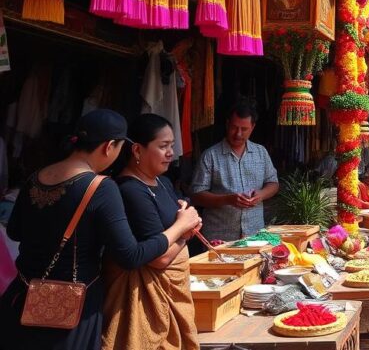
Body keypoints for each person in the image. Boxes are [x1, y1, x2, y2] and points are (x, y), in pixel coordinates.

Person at [0, 110, 201, 349]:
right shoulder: (101, 187)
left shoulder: (36, 177)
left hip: (22, 299)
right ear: (108, 147)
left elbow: (14, 231)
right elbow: (131, 256)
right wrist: (179, 227)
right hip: (72, 308)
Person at [102, 114, 200, 349]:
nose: (171, 153)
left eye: (172, 145)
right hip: (145, 296)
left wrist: (186, 223)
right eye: (163, 146)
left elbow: (180, 225)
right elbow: (159, 259)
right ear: (137, 150)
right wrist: (183, 230)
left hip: (174, 288)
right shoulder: (130, 191)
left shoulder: (163, 183)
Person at [190, 103, 279, 241]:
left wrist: (261, 195)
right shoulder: (210, 156)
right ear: (227, 124)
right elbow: (196, 195)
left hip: (254, 234)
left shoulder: (261, 152)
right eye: (234, 127)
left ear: (253, 127)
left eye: (244, 129)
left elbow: (273, 183)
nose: (238, 134)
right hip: (219, 237)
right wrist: (227, 199)